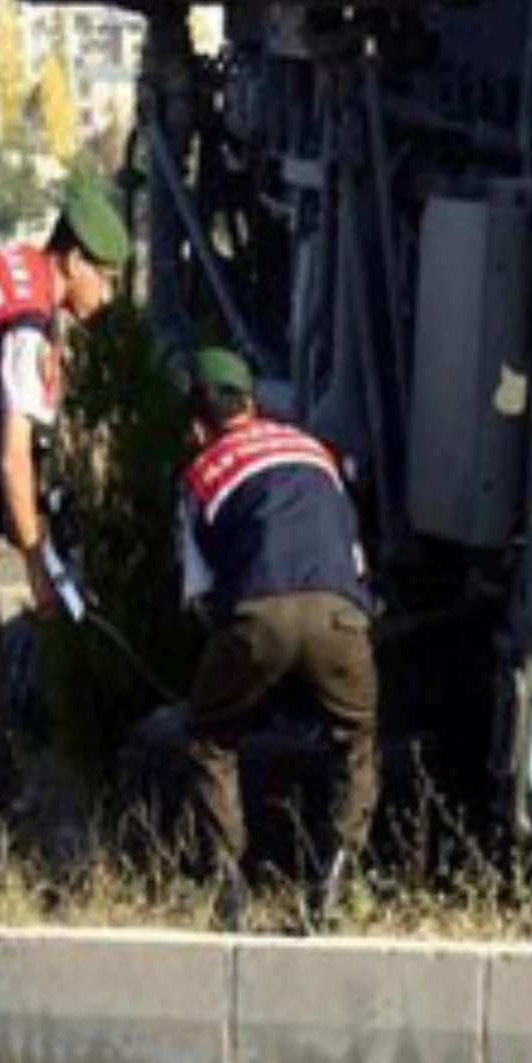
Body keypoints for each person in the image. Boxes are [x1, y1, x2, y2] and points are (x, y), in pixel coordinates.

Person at [178, 347, 379, 929]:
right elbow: (355, 556)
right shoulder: (314, 450)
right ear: (253, 403)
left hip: (255, 617)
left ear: (197, 423)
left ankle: (228, 887)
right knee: (356, 740)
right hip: (341, 613)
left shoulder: (201, 473)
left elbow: (200, 593)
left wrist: (236, 662)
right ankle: (334, 881)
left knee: (210, 738)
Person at [0, 180, 128, 822]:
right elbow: (10, 458)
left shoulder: (14, 271)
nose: (108, 297)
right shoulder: (30, 322)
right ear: (73, 261)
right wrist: (36, 563)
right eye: (105, 279)